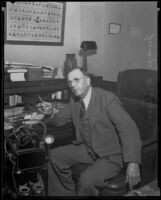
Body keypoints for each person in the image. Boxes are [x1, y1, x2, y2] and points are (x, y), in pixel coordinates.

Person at [39, 67, 142, 196]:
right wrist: (49, 113)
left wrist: (133, 162)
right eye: (70, 82)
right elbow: (59, 120)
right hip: (88, 149)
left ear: (87, 81)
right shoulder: (75, 100)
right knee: (55, 156)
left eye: (76, 80)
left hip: (111, 154)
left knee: (86, 180)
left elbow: (128, 128)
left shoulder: (107, 99)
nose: (72, 85)